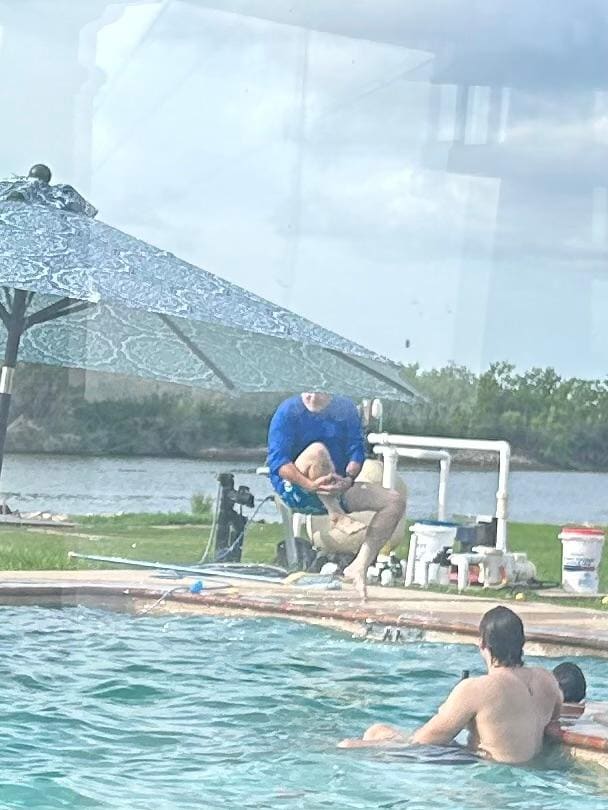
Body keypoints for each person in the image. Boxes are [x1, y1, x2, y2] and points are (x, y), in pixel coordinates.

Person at [338, 606, 562, 764]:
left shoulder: (477, 688)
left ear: (483, 644)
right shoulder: (547, 680)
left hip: (489, 773)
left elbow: (426, 740)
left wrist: (356, 746)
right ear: (522, 643)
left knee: (373, 733)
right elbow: (554, 717)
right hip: (531, 772)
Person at [267, 392, 406, 600]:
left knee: (394, 501)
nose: (313, 398)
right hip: (297, 489)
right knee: (317, 451)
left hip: (337, 487)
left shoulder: (345, 409)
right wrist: (309, 484)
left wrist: (349, 479)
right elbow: (278, 463)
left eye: (318, 393)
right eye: (308, 393)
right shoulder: (288, 411)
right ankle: (336, 514)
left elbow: (356, 452)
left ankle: (359, 566)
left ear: (329, 391)